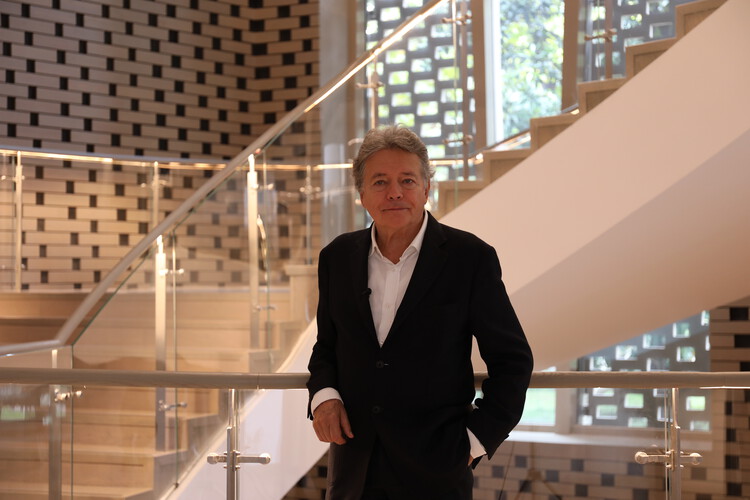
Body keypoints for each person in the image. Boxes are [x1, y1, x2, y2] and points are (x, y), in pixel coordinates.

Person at [307, 125, 533, 500]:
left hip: (438, 473)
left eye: (407, 180)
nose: (395, 192)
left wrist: (475, 442)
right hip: (353, 469)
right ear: (361, 194)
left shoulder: (470, 258)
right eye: (380, 182)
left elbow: (513, 361)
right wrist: (324, 397)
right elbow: (326, 347)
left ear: (426, 188)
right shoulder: (336, 257)